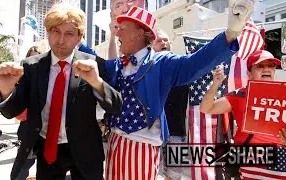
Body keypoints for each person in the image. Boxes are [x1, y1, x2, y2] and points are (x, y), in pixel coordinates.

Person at [99, 0, 254, 178]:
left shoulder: (162, 62)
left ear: (139, 33)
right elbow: (98, 67)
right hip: (115, 142)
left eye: (122, 28)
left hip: (141, 146)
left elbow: (195, 63)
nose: (117, 33)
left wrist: (230, 34)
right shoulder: (120, 64)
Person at [0, 3, 122, 180]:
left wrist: (96, 82)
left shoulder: (95, 64)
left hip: (86, 151)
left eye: (69, 33)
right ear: (47, 32)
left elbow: (116, 107)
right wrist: (6, 89)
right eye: (55, 31)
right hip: (48, 151)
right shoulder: (31, 66)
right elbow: (12, 112)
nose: (61, 40)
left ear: (79, 37)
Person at [200, 49, 286, 179]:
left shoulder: (283, 94)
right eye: (260, 66)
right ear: (249, 73)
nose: (267, 69)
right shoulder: (239, 95)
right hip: (249, 159)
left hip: (280, 158)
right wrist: (215, 84)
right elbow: (206, 108)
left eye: (271, 65)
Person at [152, 30, 189, 180]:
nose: (163, 43)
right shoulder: (146, 69)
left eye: (166, 40)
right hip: (153, 133)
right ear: (152, 46)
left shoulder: (182, 66)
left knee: (175, 176)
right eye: (159, 41)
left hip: (178, 133)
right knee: (154, 175)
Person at [15, 46, 42, 180]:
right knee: (21, 169)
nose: (33, 61)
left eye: (37, 57)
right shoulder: (21, 81)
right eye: (31, 57)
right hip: (27, 128)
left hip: (46, 131)